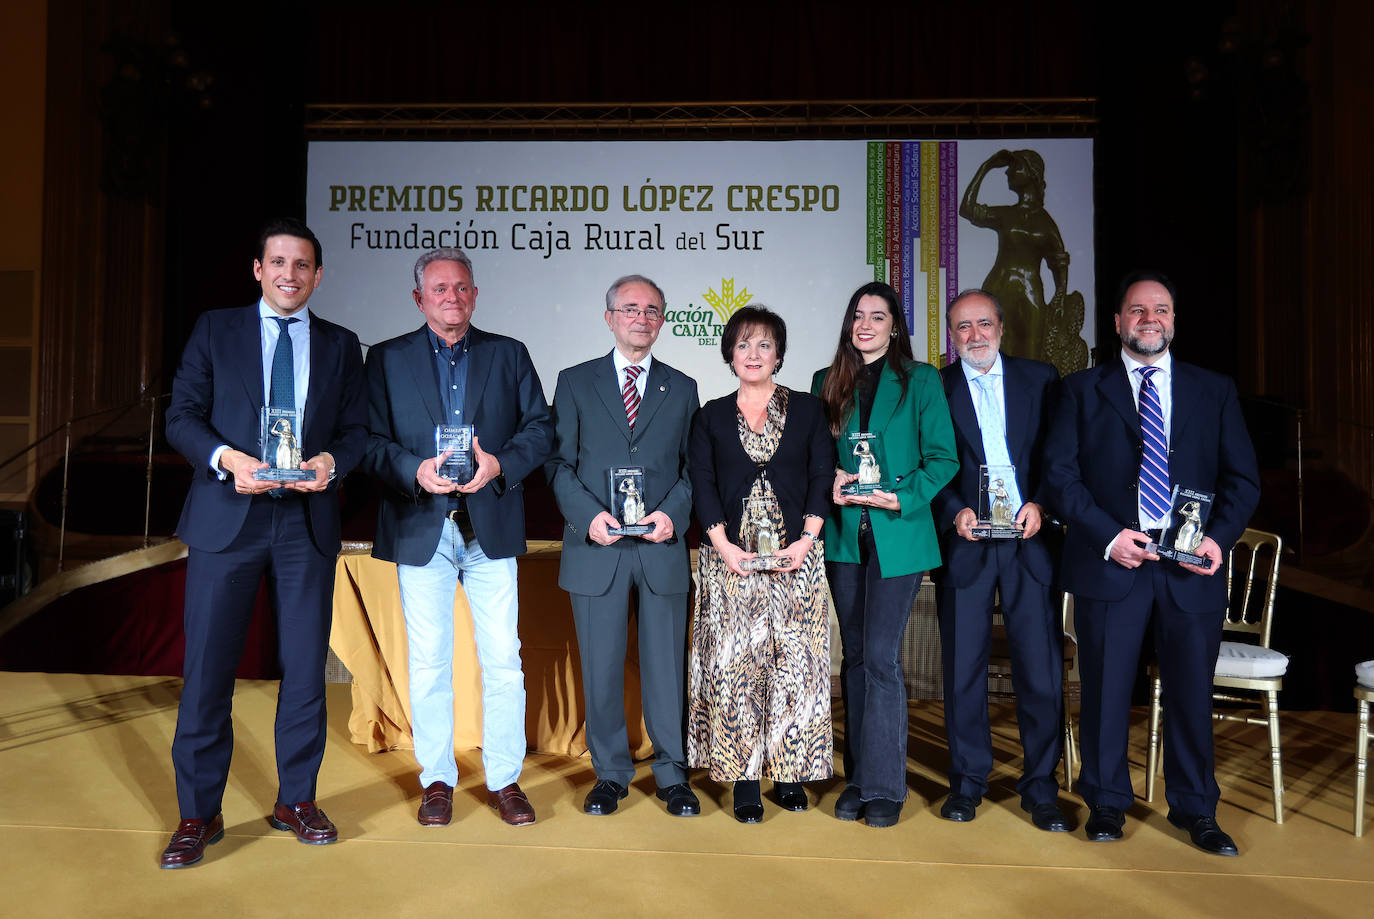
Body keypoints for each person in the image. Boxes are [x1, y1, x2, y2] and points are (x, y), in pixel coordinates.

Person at [161, 218, 367, 868]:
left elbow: (359, 430)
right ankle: (199, 811)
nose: (289, 274)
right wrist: (228, 459)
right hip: (229, 515)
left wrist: (334, 460)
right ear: (258, 269)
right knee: (208, 673)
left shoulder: (341, 344)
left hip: (305, 524)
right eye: (277, 262)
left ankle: (296, 799)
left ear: (317, 274)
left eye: (301, 265)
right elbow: (181, 417)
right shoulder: (215, 328)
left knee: (306, 670)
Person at [1043, 271, 1260, 855]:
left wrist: (1218, 538)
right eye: (1136, 310)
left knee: (1191, 694)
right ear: (1116, 322)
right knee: (1107, 690)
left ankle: (1197, 810)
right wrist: (1109, 536)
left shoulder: (1213, 390)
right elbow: (1060, 479)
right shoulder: (1081, 389)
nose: (1149, 319)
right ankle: (1107, 804)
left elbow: (1242, 480)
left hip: (1190, 568)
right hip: (1114, 561)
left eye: (1160, 309)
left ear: (1173, 320)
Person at [363, 248, 553, 827]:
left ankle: (505, 780)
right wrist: (410, 470)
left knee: (503, 662)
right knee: (429, 664)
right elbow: (367, 441)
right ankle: (437, 780)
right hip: (421, 524)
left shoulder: (509, 353)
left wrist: (498, 466)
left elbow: (540, 430)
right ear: (419, 298)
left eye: (462, 287)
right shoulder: (387, 359)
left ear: (476, 294)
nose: (453, 297)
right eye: (440, 289)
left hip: (487, 524)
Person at [546, 275, 701, 818]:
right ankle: (610, 773)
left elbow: (690, 471)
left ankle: (672, 774)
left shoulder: (682, 388)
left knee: (666, 668)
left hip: (659, 546)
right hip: (598, 548)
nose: (641, 317)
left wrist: (672, 516)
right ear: (609, 316)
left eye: (652, 310)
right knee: (602, 667)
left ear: (662, 322)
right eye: (630, 308)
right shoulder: (574, 382)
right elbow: (558, 464)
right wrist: (588, 518)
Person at [813, 281, 959, 827]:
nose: (866, 324)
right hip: (847, 534)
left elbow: (943, 459)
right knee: (852, 656)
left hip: (900, 532)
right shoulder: (826, 382)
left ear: (895, 325)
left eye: (878, 315)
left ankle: (885, 785)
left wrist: (899, 494)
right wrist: (830, 478)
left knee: (880, 657)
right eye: (858, 315)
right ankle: (857, 777)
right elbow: (818, 455)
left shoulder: (921, 381)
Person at [687, 306, 834, 822]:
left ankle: (790, 772)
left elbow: (822, 475)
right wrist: (723, 545)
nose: (754, 354)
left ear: (779, 354)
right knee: (737, 665)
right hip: (730, 561)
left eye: (764, 345)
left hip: (797, 560)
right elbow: (702, 483)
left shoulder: (811, 411)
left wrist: (807, 539)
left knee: (795, 666)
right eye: (744, 344)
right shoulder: (709, 415)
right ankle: (745, 777)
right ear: (730, 353)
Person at [930, 289, 1068, 832]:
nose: (975, 335)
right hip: (966, 545)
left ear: (1002, 329)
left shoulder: (1042, 379)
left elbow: (1061, 456)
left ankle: (1041, 787)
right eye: (963, 327)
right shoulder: (934, 388)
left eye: (983, 324)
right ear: (951, 336)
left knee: (1040, 671)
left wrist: (1043, 503)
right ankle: (967, 782)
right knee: (963, 670)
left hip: (1029, 542)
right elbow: (927, 462)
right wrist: (953, 510)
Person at [960, 148, 1087, 374]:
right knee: (994, 354)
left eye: (1015, 167)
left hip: (1031, 292)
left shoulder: (1045, 223)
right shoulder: (1007, 215)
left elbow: (1059, 261)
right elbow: (968, 209)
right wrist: (986, 166)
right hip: (999, 288)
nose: (1008, 172)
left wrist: (1059, 296)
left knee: (1033, 356)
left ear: (1031, 173)